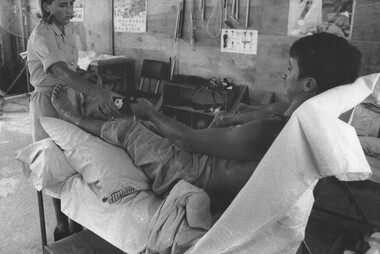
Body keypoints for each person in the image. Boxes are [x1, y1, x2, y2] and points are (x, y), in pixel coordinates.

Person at [49, 32, 362, 216]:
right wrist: (235, 117)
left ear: (308, 84)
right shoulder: (314, 122)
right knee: (153, 128)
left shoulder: (273, 133)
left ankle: (71, 116)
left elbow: (188, 141)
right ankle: (113, 119)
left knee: (132, 128)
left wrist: (150, 113)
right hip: (210, 163)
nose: (283, 74)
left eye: (289, 68)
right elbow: (278, 109)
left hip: (193, 172)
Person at [27, 0, 121, 241]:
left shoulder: (66, 29)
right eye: (63, 5)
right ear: (47, 6)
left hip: (69, 96)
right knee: (55, 164)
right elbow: (58, 70)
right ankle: (61, 227)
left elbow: (69, 68)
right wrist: (96, 92)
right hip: (49, 101)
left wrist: (84, 75)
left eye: (71, 4)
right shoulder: (41, 34)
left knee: (76, 161)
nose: (70, 10)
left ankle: (75, 221)